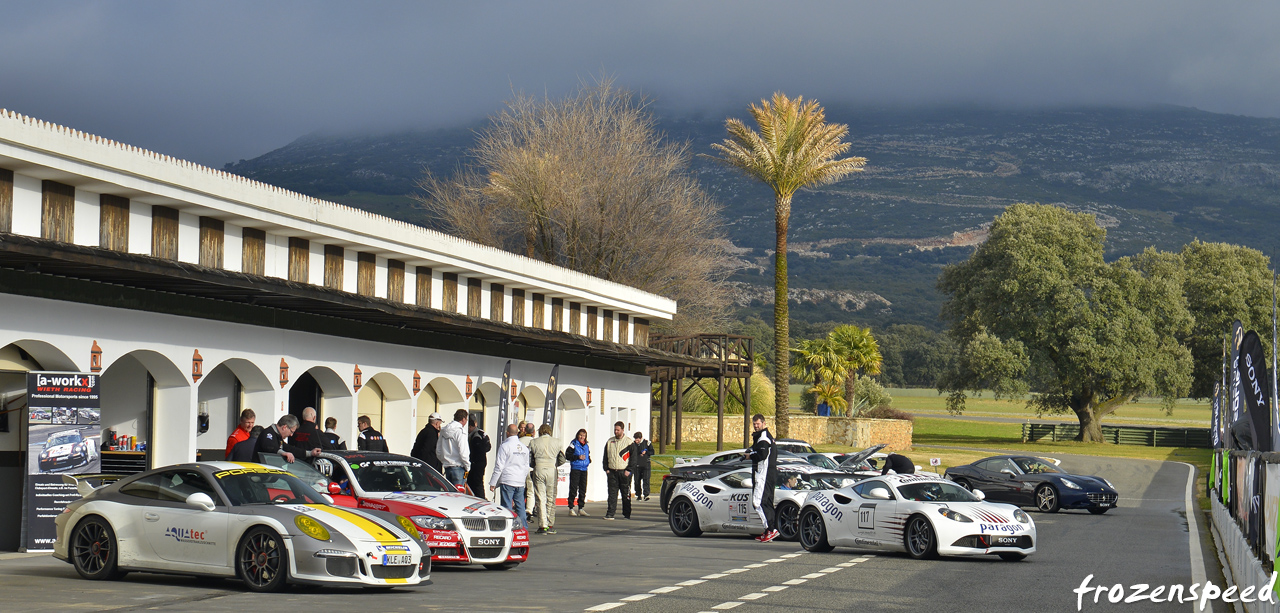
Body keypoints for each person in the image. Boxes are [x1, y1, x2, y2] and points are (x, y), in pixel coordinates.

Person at [744, 413, 780, 542]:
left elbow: (762, 454)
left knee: (758, 502)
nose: (756, 426)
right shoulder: (763, 437)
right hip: (767, 474)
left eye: (758, 424)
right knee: (767, 503)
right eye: (754, 424)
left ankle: (771, 530)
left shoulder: (764, 437)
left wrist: (750, 455)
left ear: (764, 424)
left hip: (763, 474)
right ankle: (768, 531)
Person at [490, 423, 531, 530]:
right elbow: (527, 466)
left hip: (508, 480)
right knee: (520, 506)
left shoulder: (505, 446)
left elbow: (499, 466)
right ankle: (523, 528)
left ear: (507, 433)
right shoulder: (523, 448)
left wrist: (493, 482)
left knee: (507, 506)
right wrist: (522, 477)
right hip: (519, 481)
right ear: (517, 432)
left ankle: (508, 528)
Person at [528, 424, 561, 534]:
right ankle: (550, 523)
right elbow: (562, 458)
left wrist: (535, 465)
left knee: (540, 497)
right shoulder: (557, 442)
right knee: (551, 497)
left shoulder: (534, 442)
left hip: (539, 468)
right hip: (552, 469)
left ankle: (543, 525)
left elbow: (530, 459)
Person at [603, 421, 636, 520]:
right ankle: (610, 513)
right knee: (612, 494)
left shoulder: (629, 442)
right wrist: (607, 469)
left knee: (625, 494)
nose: (616, 432)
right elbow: (605, 456)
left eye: (618, 430)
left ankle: (626, 514)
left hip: (624, 472)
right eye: (615, 430)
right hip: (612, 471)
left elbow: (634, 458)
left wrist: (629, 470)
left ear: (622, 430)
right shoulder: (610, 442)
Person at [254, 414, 321, 463]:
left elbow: (290, 449)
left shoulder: (278, 437)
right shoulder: (268, 433)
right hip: (260, 474)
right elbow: (269, 447)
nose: (291, 435)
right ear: (284, 427)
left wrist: (310, 453)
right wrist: (284, 453)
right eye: (291, 431)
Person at [436, 409, 471, 487]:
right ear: (463, 419)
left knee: (450, 494)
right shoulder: (460, 432)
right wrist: (467, 466)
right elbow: (463, 452)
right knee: (459, 495)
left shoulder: (444, 430)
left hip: (447, 467)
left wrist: (444, 460)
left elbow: (438, 450)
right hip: (459, 467)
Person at [566, 429, 591, 516]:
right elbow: (568, 455)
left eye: (583, 436)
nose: (582, 437)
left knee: (583, 489)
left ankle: (581, 508)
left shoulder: (586, 445)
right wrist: (577, 457)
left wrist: (589, 460)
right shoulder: (573, 444)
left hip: (584, 469)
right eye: (580, 435)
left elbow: (588, 454)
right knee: (573, 488)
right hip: (576, 468)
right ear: (577, 435)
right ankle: (571, 507)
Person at [467, 417, 491, 498]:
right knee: (479, 483)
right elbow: (489, 447)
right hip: (482, 462)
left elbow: (476, 450)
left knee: (476, 484)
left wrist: (473, 461)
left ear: (470, 426)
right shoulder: (482, 433)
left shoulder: (475, 436)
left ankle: (480, 499)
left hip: (476, 464)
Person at [630, 431, 654, 502]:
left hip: (646, 464)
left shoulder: (647, 443)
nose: (636, 441)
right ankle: (638, 495)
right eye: (635, 439)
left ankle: (646, 494)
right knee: (637, 480)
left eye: (637, 440)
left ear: (641, 438)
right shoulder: (633, 445)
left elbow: (652, 452)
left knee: (646, 480)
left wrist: (646, 452)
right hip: (636, 465)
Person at [519, 422, 536, 520]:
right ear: (533, 432)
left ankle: (520, 509)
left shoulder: (519, 441)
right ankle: (529, 511)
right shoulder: (535, 442)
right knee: (530, 491)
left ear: (525, 430)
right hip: (531, 469)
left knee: (520, 491)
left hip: (520, 469)